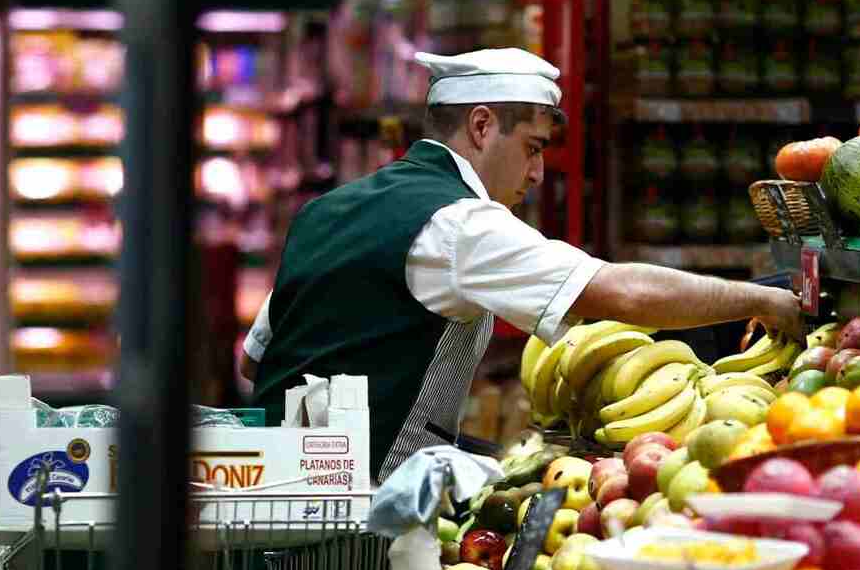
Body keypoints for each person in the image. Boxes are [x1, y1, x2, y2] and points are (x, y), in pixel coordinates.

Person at [241, 48, 801, 482]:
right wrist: (761, 298)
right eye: (533, 148)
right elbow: (619, 291)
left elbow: (256, 361)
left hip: (275, 489)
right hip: (361, 513)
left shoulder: (327, 209)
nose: (536, 175)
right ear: (482, 127)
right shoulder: (461, 223)